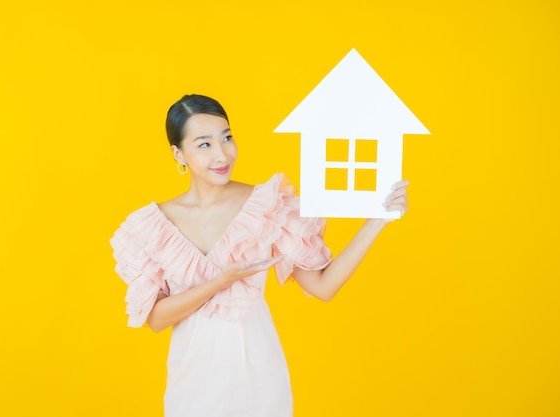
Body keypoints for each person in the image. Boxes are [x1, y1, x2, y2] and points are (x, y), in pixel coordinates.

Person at [110, 94, 408, 417]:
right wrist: (220, 281)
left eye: (227, 138)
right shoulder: (156, 224)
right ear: (178, 153)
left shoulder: (264, 206)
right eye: (204, 144)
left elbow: (324, 287)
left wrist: (378, 221)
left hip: (260, 380)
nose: (222, 154)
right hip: (193, 383)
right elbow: (155, 319)